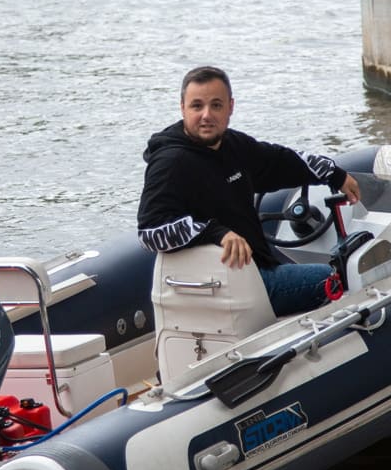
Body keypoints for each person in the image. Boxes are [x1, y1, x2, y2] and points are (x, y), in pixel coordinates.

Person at [137, 65, 361, 317]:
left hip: (249, 272)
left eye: (216, 105)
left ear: (230, 107)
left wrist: (333, 173)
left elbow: (280, 161)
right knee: (339, 275)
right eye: (197, 106)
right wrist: (217, 233)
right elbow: (149, 232)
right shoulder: (170, 162)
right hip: (233, 285)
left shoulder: (232, 145)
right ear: (182, 108)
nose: (206, 115)